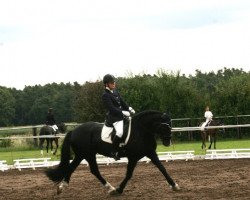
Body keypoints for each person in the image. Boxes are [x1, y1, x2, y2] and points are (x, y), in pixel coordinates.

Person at [102, 74, 135, 160]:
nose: (114, 84)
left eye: (114, 82)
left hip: (121, 117)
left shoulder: (115, 92)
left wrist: (129, 108)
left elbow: (122, 103)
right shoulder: (105, 95)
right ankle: (114, 151)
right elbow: (112, 109)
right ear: (106, 84)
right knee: (120, 132)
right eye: (112, 83)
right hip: (114, 118)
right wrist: (123, 112)